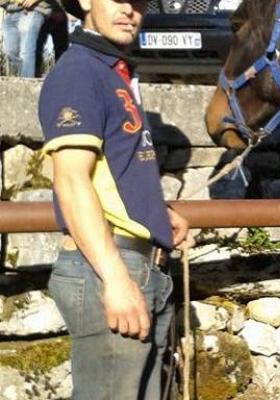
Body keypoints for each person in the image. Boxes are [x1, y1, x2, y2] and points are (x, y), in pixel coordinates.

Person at [37, 0, 189, 396]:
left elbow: (116, 169)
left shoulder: (112, 72)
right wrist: (115, 279)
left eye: (138, 2)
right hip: (107, 268)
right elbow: (70, 181)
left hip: (131, 265)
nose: (130, 10)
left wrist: (156, 215)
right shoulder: (78, 73)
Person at [1, 0, 52, 76]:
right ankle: (28, 74)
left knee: (26, 52)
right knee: (10, 51)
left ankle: (27, 81)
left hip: (33, 11)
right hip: (11, 13)